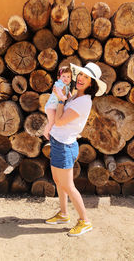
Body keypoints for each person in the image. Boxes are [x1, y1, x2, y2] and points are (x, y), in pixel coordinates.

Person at [45, 62, 107, 237]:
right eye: (81, 74)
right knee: (58, 181)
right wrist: (63, 98)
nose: (81, 78)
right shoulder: (75, 96)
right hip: (58, 142)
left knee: (69, 186)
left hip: (65, 146)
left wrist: (59, 100)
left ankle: (85, 221)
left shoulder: (83, 102)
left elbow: (60, 121)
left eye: (86, 77)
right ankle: (64, 214)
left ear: (91, 84)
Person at [43, 66, 72, 140]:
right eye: (64, 76)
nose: (66, 78)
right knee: (52, 121)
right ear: (59, 78)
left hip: (55, 107)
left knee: (55, 121)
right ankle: (46, 133)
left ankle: (53, 133)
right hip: (51, 107)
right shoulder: (59, 83)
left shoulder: (67, 85)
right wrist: (62, 96)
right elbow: (58, 90)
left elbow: (68, 93)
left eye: (68, 76)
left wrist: (70, 96)